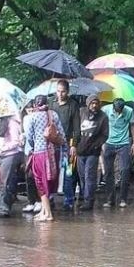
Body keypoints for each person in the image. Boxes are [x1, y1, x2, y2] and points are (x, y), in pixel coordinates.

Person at [49, 80, 81, 208]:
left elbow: (76, 128)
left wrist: (74, 145)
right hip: (53, 143)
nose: (60, 94)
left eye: (63, 91)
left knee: (69, 172)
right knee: (52, 171)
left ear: (67, 92)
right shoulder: (51, 102)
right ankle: (50, 197)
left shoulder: (73, 105)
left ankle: (69, 200)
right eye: (58, 91)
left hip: (68, 144)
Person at [101, 98, 134, 208]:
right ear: (113, 107)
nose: (119, 112)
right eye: (117, 110)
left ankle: (123, 199)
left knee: (125, 170)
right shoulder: (105, 110)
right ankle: (110, 200)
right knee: (108, 172)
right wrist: (102, 141)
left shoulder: (129, 111)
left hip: (124, 143)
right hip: (109, 143)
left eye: (120, 110)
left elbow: (133, 126)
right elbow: (101, 124)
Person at [76, 94, 108, 210]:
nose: (94, 105)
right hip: (80, 150)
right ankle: (84, 196)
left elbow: (105, 135)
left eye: (96, 103)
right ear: (88, 103)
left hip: (93, 152)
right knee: (82, 176)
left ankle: (89, 201)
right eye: (92, 103)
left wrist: (96, 146)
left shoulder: (103, 117)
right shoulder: (81, 112)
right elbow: (75, 128)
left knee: (90, 176)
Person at [0, 112, 25, 217]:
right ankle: (4, 205)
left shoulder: (12, 122)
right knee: (0, 182)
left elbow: (16, 141)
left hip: (9, 154)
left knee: (2, 182)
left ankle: (3, 209)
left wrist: (4, 148)